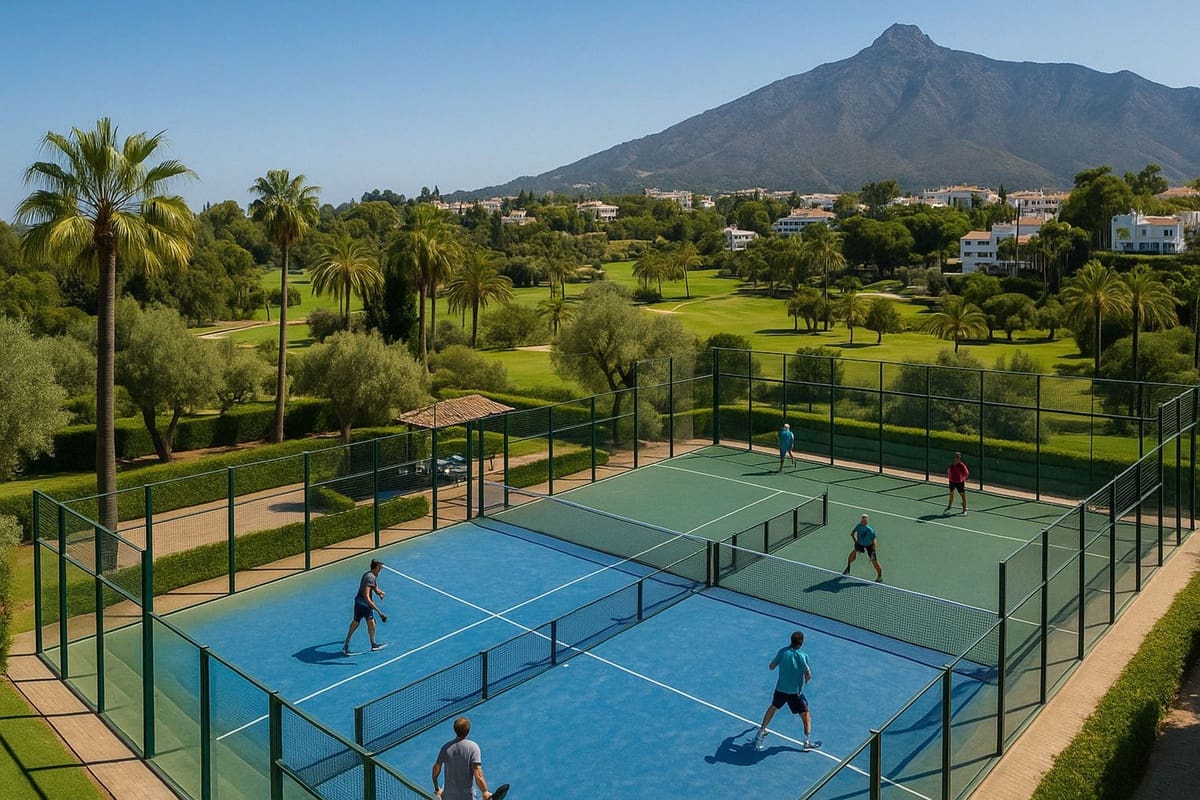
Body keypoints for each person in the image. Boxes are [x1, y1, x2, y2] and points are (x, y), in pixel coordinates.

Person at [754, 630, 817, 751]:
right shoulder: (804, 656)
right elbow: (808, 674)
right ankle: (807, 741)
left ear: (791, 640)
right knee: (806, 714)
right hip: (795, 693)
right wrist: (805, 679)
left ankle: (761, 732)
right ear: (801, 642)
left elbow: (771, 666)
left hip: (780, 689)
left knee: (773, 708)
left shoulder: (782, 652)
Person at [432, 716, 494, 800]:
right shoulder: (473, 747)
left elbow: (436, 768)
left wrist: (437, 788)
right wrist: (485, 791)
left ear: (455, 730)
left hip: (447, 797)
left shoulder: (445, 748)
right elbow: (478, 774)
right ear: (468, 731)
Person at [342, 559, 387, 655]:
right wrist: (379, 612)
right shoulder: (370, 578)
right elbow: (366, 596)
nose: (381, 569)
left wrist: (380, 593)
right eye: (380, 567)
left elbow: (375, 588)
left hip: (358, 601)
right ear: (376, 568)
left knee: (356, 622)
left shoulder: (369, 575)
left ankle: (346, 644)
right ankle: (374, 645)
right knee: (371, 622)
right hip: (364, 604)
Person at [843, 513, 883, 583]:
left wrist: (874, 547)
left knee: (874, 561)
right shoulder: (858, 526)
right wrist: (855, 541)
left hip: (869, 546)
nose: (863, 521)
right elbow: (852, 533)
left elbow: (874, 539)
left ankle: (879, 576)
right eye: (862, 519)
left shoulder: (870, 530)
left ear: (867, 521)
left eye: (865, 520)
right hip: (860, 543)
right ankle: (848, 568)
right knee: (852, 555)